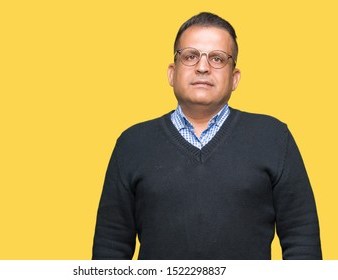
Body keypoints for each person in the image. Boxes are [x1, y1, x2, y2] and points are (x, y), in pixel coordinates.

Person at [92, 12, 322, 260]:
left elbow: (302, 241)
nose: (203, 67)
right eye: (190, 56)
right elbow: (111, 246)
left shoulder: (274, 138)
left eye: (217, 58)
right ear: (172, 73)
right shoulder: (132, 143)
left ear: (234, 79)